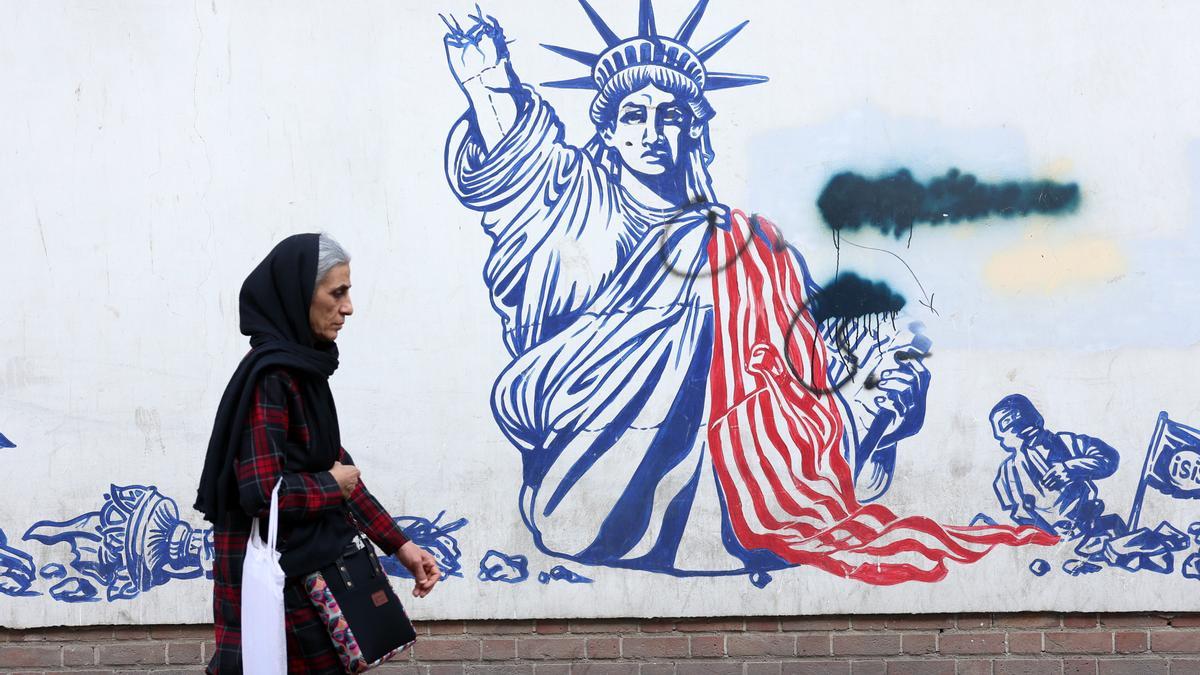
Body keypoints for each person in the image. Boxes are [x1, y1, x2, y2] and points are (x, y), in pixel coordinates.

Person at [442, 0, 1054, 585]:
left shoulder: (744, 242)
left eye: (671, 114)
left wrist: (877, 361)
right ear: (606, 130)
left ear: (694, 130)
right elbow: (514, 156)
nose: (653, 130)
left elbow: (806, 340)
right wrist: (487, 79)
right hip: (579, 422)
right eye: (634, 114)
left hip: (735, 443)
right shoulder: (568, 201)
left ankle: (789, 473)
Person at [194, 233, 440, 674]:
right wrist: (331, 485)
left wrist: (400, 545)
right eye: (337, 293)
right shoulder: (272, 379)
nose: (348, 307)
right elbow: (262, 494)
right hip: (283, 586)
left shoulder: (303, 371)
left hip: (308, 574)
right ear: (298, 296)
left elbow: (338, 468)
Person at [990, 394, 1120, 539]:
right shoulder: (1006, 472)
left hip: (1088, 529)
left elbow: (1109, 459)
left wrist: (1071, 468)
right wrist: (1048, 532)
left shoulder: (1067, 442)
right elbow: (1012, 515)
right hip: (1047, 542)